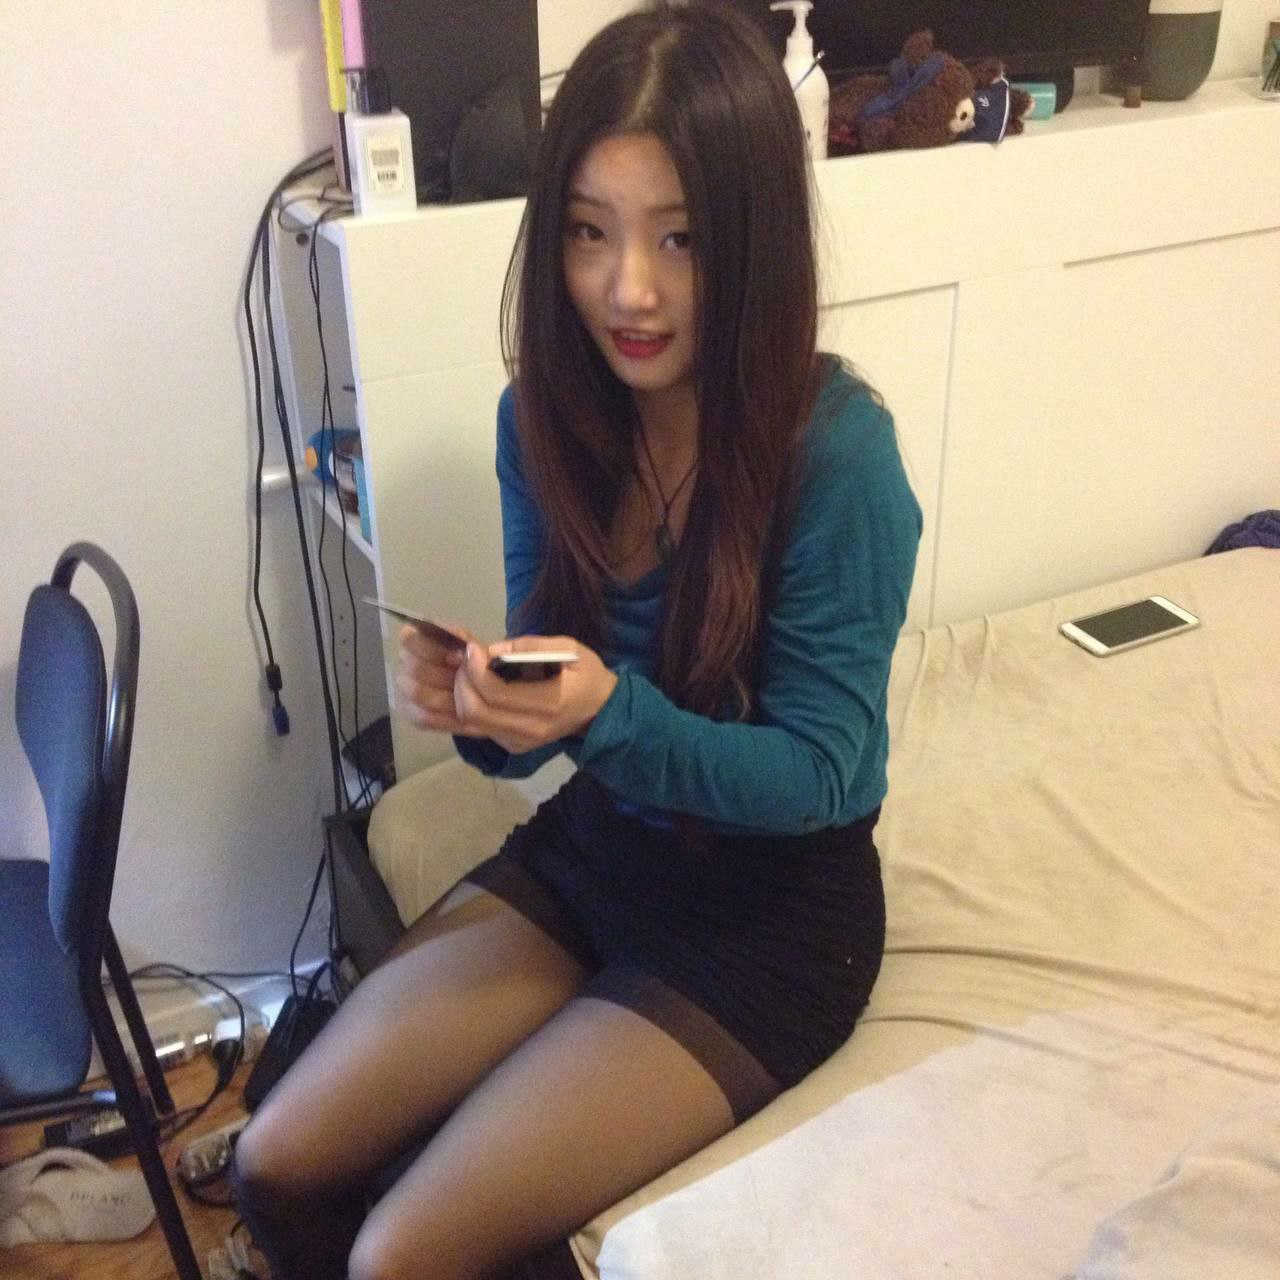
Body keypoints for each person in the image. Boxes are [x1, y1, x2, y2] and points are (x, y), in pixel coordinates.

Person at [231, 3, 921, 1278]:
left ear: (753, 240)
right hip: (601, 850)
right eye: (589, 233)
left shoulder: (836, 453)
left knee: (399, 1250)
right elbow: (549, 699)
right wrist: (481, 707)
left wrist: (606, 713)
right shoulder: (545, 419)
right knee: (272, 1154)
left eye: (679, 238)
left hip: (771, 920)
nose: (627, 289)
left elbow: (821, 772)